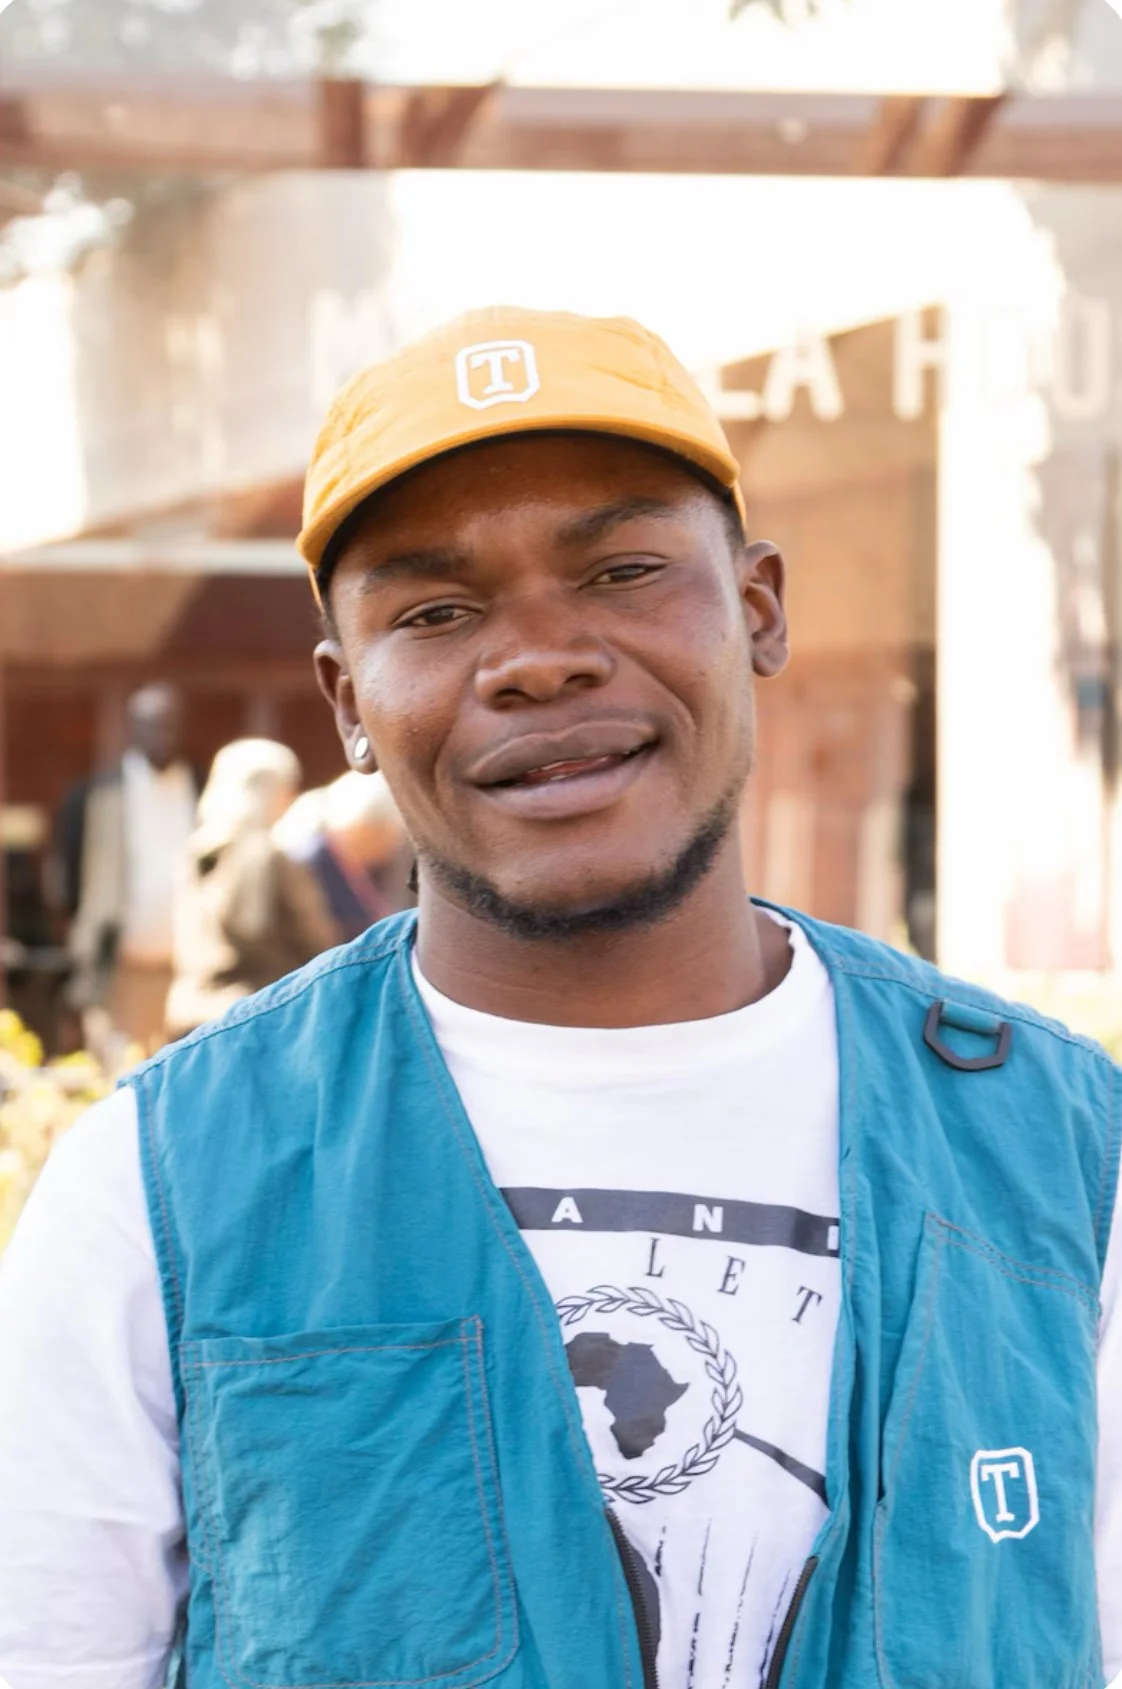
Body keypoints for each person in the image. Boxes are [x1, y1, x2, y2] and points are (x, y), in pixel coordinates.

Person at [0, 305, 1119, 1689]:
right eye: (434, 611)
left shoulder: (1064, 1155)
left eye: (624, 568)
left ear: (757, 606)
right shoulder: (158, 1183)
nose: (537, 657)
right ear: (348, 702)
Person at [163, 739, 338, 1040]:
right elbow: (275, 934)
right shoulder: (262, 854)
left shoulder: (197, 852)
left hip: (189, 1013)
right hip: (250, 1017)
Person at [59, 682, 197, 1049]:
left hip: (188, 973)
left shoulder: (199, 786)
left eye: (171, 725)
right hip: (120, 972)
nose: (164, 736)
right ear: (134, 729)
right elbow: (69, 879)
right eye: (155, 725)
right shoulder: (98, 794)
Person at [276, 768, 412, 940]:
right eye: (387, 836)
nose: (389, 848)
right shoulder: (309, 861)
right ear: (364, 829)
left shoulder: (353, 861)